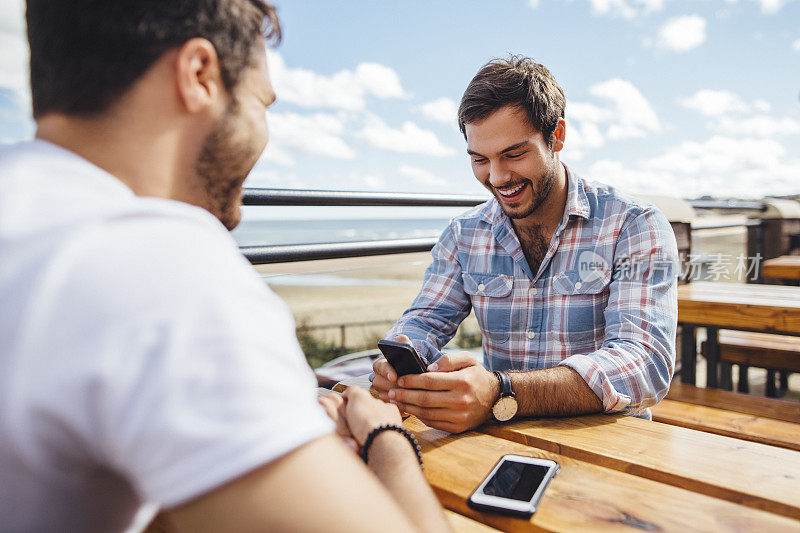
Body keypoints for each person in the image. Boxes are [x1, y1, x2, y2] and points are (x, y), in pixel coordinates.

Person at [0, 2, 450, 532]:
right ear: (199, 76)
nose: (264, 132)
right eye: (262, 103)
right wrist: (384, 437)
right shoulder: (161, 266)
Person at [372, 56, 678, 434]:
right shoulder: (463, 233)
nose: (498, 177)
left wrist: (502, 392)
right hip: (498, 435)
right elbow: (425, 320)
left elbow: (646, 364)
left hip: (609, 440)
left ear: (557, 136)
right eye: (480, 160)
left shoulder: (634, 224)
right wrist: (403, 359)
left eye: (514, 154)